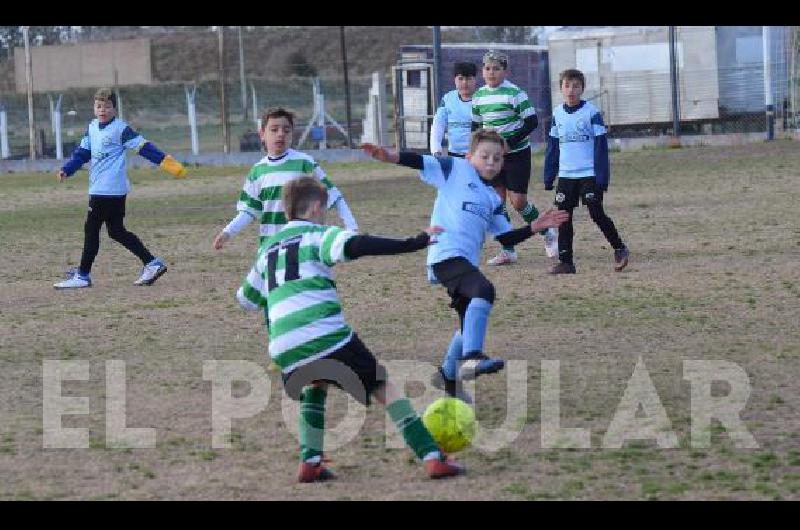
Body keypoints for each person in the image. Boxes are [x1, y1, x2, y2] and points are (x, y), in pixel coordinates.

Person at [237, 176, 464, 482]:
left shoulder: (267, 249)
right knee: (383, 385)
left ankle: (310, 460)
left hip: (284, 347)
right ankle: (432, 456)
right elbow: (358, 244)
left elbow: (246, 299)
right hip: (325, 335)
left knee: (314, 384)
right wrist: (415, 241)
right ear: (317, 207)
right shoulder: (317, 234)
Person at [362, 130, 569, 402]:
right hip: (444, 255)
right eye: (485, 156)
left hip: (464, 263)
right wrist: (388, 156)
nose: (491, 163)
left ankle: (447, 377)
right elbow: (418, 161)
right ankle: (471, 358)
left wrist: (534, 228)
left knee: (467, 323)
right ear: (470, 156)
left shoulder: (494, 200)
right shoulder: (454, 168)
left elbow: (505, 238)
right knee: (484, 290)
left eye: (497, 159)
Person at [54, 87, 186, 289]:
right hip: (103, 189)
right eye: (99, 106)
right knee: (116, 231)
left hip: (107, 190)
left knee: (91, 229)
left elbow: (144, 148)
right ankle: (152, 263)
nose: (103, 110)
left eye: (107, 106)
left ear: (115, 108)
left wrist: (169, 164)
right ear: (94, 108)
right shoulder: (91, 128)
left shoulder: (120, 129)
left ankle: (82, 275)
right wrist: (67, 169)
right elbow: (82, 153)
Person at [213, 108, 358, 251]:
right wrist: (227, 232)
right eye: (274, 130)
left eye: (286, 130)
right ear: (262, 134)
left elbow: (334, 195)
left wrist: (351, 226)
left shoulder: (305, 163)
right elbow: (249, 211)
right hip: (271, 246)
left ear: (292, 134)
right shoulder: (257, 171)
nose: (281, 134)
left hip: (303, 245)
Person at [471, 50, 558, 265]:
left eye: (496, 68)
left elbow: (531, 122)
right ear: (483, 71)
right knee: (496, 203)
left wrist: (509, 142)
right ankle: (508, 250)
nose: (491, 73)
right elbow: (476, 126)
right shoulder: (479, 96)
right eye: (487, 68)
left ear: (505, 71)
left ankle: (547, 233)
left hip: (517, 154)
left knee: (518, 202)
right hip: (492, 158)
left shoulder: (515, 93)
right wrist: (474, 151)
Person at [543, 68, 629, 274]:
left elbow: (601, 147)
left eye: (576, 85)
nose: (571, 90)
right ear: (561, 88)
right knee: (563, 217)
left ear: (582, 88)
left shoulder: (592, 113)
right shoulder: (557, 114)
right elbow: (553, 147)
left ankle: (619, 248)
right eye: (567, 85)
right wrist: (549, 174)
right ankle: (566, 262)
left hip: (589, 174)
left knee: (595, 211)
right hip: (566, 176)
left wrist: (602, 178)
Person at [430, 62, 478, 158]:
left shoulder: (482, 99)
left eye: (468, 79)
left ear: (475, 80)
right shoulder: (448, 98)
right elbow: (437, 125)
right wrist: (436, 150)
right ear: (454, 80)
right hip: (453, 154)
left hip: (476, 155)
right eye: (460, 79)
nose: (464, 82)